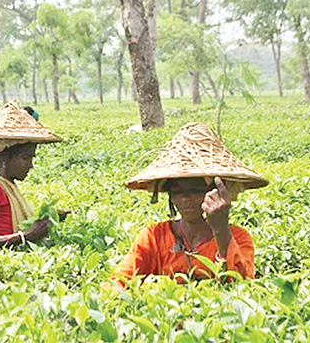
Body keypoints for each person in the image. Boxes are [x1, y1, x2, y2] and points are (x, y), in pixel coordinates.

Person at [110, 123, 269, 288]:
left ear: (215, 192)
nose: (185, 199)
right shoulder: (154, 237)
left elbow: (241, 286)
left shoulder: (238, 238)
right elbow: (118, 283)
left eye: (195, 190)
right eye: (177, 192)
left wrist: (221, 229)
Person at [0, 101, 66, 248]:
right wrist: (26, 237)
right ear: (4, 158)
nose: (30, 165)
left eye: (31, 158)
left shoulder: (10, 186)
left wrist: (49, 218)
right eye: (25, 158)